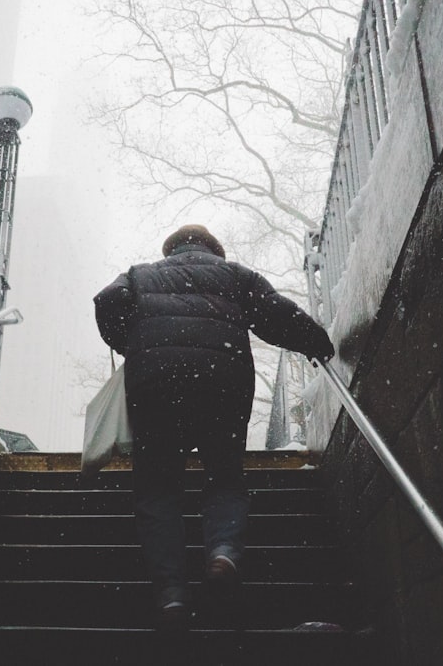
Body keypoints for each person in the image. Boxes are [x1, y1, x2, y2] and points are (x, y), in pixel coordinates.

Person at [93, 224, 334, 630]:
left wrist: (128, 342)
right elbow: (275, 314)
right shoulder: (235, 275)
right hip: (221, 381)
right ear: (214, 250)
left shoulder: (140, 274)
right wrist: (318, 344)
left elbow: (106, 300)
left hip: (154, 384)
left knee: (158, 488)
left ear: (170, 250)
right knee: (224, 477)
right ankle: (223, 552)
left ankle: (171, 595)